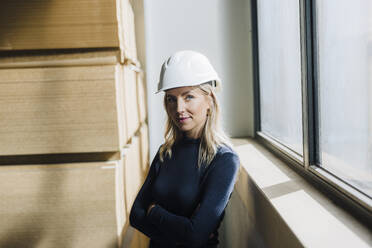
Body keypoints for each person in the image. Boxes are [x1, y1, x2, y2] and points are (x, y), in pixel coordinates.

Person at [129, 50, 240, 248]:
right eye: (171, 99)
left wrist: (154, 212)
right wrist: (182, 231)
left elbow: (195, 236)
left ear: (209, 101)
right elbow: (136, 216)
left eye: (188, 97)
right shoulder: (166, 151)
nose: (178, 108)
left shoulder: (223, 160)